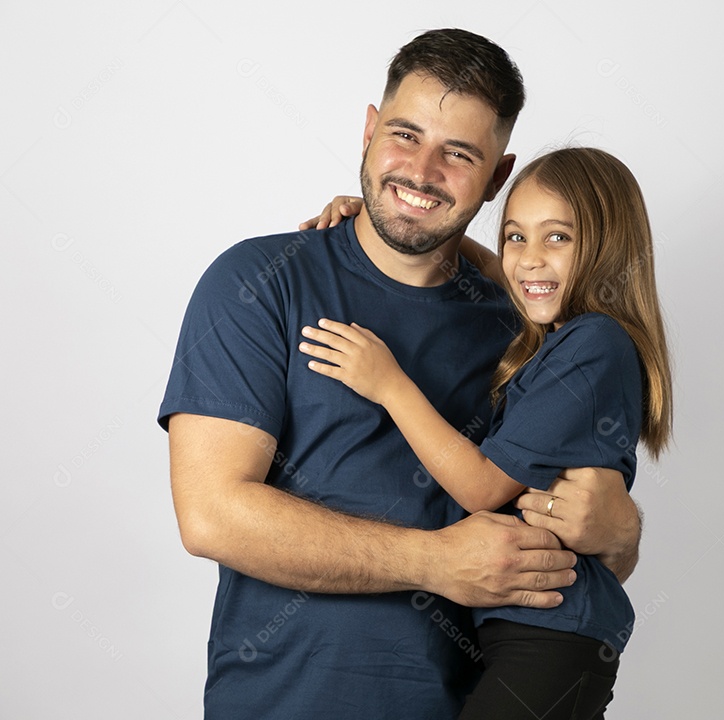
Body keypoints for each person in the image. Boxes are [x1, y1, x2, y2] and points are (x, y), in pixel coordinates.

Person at [158, 29, 641, 719]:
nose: (420, 171)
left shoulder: (527, 327)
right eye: (405, 136)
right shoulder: (257, 283)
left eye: (459, 155)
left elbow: (573, 551)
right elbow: (211, 516)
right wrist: (437, 562)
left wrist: (620, 531)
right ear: (368, 128)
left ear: (496, 177)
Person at [297, 147, 673, 719]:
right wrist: (388, 225)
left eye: (558, 238)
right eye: (515, 237)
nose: (529, 260)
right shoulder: (563, 336)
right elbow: (515, 276)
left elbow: (481, 488)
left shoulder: (594, 343)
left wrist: (389, 385)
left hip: (553, 633)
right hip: (525, 631)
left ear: (608, 247)